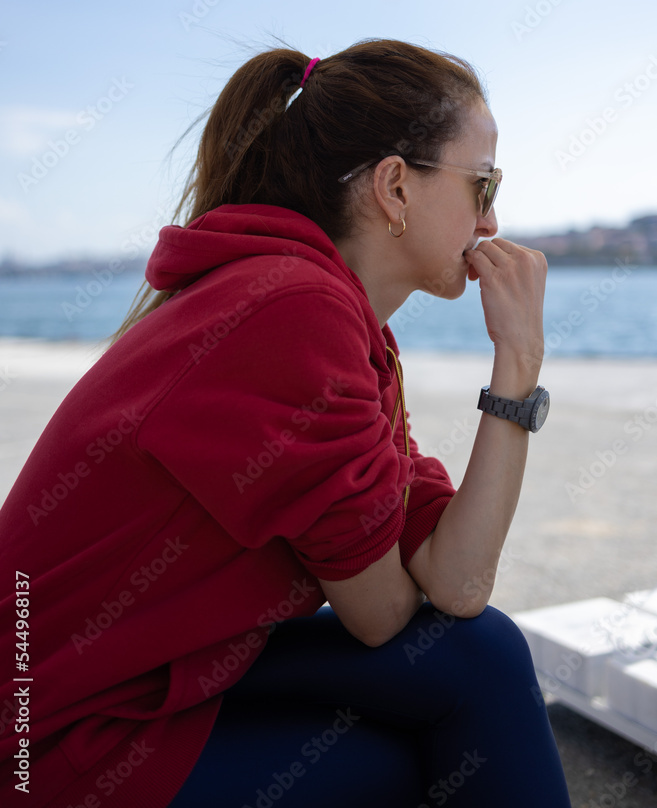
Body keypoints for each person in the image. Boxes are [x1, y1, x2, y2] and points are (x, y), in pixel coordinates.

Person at [0, 39, 571, 807]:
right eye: (482, 182)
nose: (493, 215)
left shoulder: (327, 318)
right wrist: (521, 354)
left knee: (480, 655)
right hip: (53, 740)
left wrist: (516, 365)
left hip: (142, 678)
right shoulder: (289, 313)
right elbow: (381, 614)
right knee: (421, 752)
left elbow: (456, 582)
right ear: (396, 187)